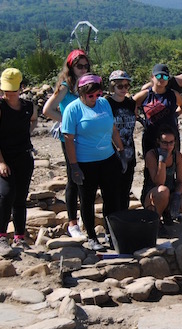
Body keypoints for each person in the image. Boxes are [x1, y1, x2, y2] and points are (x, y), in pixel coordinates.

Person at [61, 74, 128, 251]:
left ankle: (110, 232)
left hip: (107, 158)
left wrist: (121, 151)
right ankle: (91, 235)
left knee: (111, 198)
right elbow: (68, 139)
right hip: (85, 162)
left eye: (97, 95)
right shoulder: (73, 109)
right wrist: (74, 166)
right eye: (90, 96)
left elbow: (113, 129)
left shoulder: (104, 104)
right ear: (81, 93)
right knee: (87, 199)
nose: (94, 99)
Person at [0, 68, 37, 258]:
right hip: (2, 156)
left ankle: (20, 236)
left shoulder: (28, 106)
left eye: (13, 89)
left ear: (21, 88)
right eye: (6, 89)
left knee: (21, 197)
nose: (9, 93)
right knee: (7, 192)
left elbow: (33, 120)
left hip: (23, 156)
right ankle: (0, 236)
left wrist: (26, 132)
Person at [43, 49, 91, 239]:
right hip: (70, 138)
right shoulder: (66, 86)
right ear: (71, 67)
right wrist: (67, 121)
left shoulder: (87, 84)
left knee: (87, 177)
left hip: (85, 137)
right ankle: (72, 223)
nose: (83, 69)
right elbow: (48, 109)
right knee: (73, 177)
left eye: (86, 66)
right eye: (80, 66)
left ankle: (83, 218)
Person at [141, 125, 182, 227]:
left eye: (171, 142)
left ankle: (167, 213)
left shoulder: (177, 156)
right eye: (165, 143)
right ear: (158, 142)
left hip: (170, 193)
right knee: (163, 191)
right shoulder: (151, 155)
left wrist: (177, 195)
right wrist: (162, 161)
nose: (168, 146)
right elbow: (159, 182)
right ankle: (155, 221)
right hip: (154, 195)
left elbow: (180, 181)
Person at [134, 64, 182, 156]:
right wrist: (136, 116)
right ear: (152, 77)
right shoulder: (145, 94)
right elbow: (130, 104)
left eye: (165, 76)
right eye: (158, 76)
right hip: (151, 136)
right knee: (151, 167)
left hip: (170, 138)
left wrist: (175, 115)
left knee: (171, 166)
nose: (162, 79)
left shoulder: (173, 94)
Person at [106, 70, 137, 210]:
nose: (124, 89)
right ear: (113, 87)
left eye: (126, 86)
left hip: (130, 151)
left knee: (125, 191)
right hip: (112, 154)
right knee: (112, 191)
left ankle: (124, 224)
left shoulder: (131, 103)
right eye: (120, 86)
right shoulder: (106, 103)